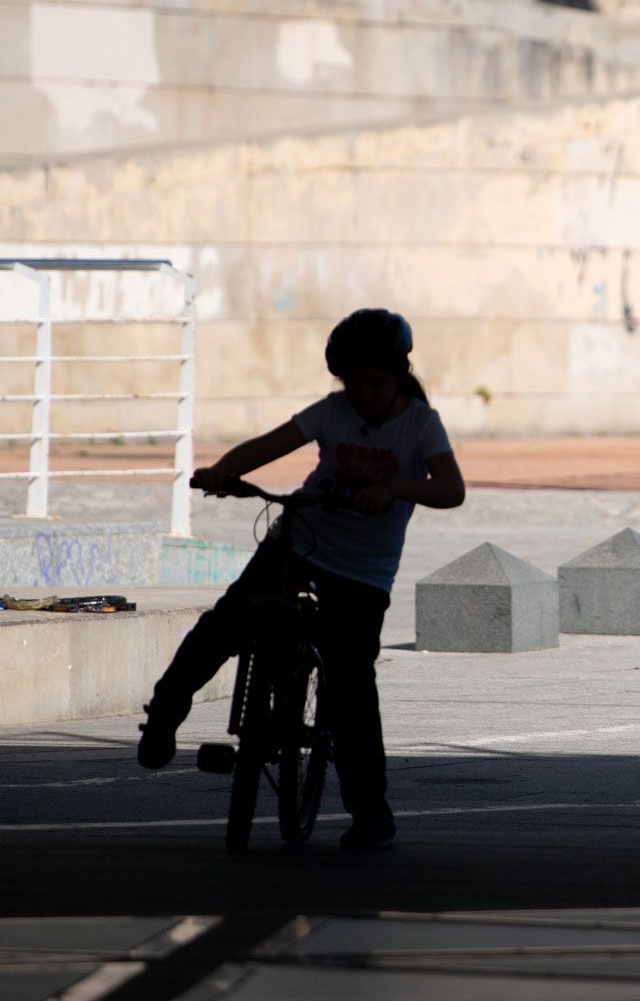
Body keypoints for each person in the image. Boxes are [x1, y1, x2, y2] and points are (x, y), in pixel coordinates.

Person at [136, 308, 465, 851]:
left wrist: (397, 488)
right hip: (300, 539)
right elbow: (267, 446)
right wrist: (226, 472)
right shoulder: (332, 412)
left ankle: (370, 814)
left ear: (400, 373)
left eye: (375, 382)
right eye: (352, 382)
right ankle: (165, 712)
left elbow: (451, 489)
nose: (362, 393)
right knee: (226, 623)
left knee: (352, 683)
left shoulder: (420, 424)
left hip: (362, 571)